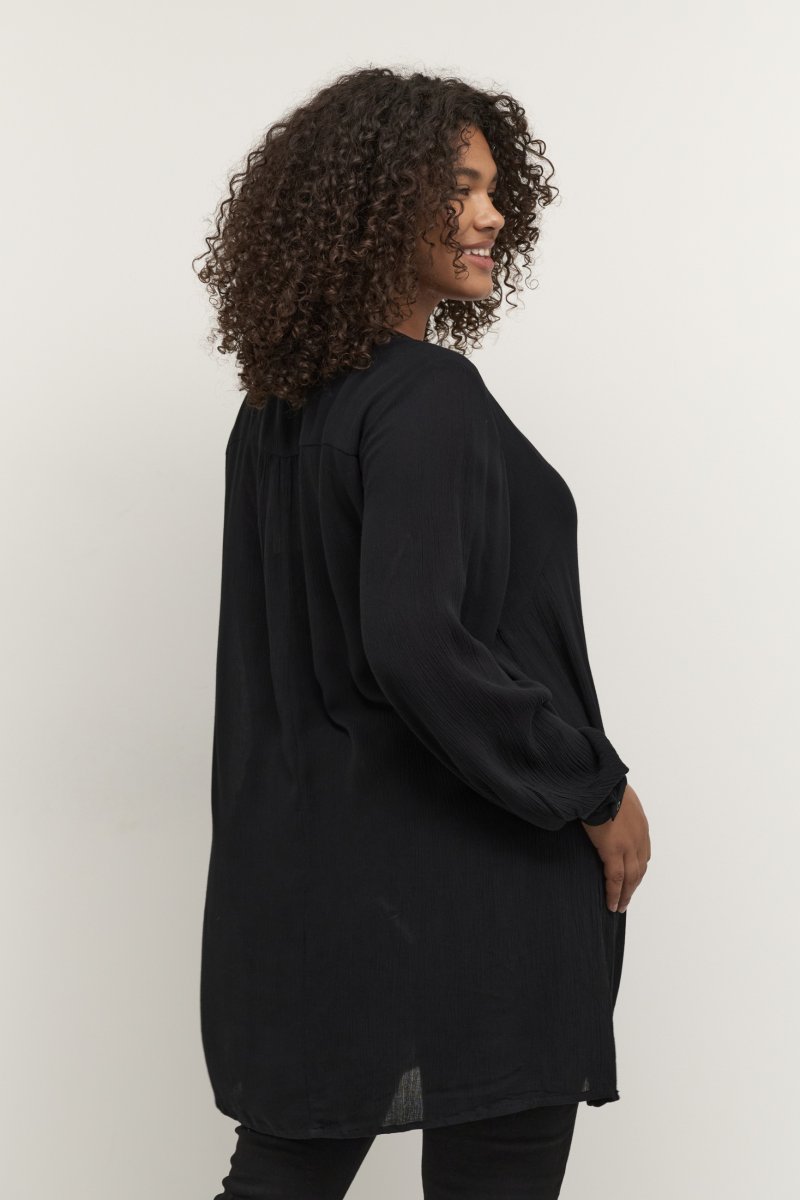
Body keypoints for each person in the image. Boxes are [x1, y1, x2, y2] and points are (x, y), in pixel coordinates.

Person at [192, 65, 651, 1199]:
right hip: (479, 880)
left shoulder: (276, 412)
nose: (489, 216)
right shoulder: (427, 395)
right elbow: (413, 644)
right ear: (371, 203)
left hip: (309, 889)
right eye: (456, 188)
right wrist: (592, 788)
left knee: (283, 1170)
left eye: (494, 190)